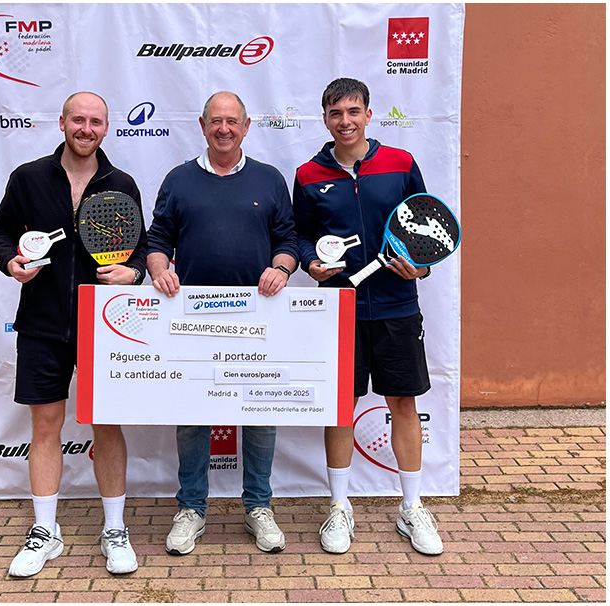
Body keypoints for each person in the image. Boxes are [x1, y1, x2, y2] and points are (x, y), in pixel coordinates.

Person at [0, 92, 147, 576]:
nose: (86, 129)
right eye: (78, 119)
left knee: (107, 425)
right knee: (44, 426)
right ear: (61, 123)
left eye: (95, 121)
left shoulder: (121, 184)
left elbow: (142, 248)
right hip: (42, 323)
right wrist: (10, 262)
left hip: (106, 326)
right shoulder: (29, 177)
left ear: (106, 128)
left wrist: (134, 274)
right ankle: (45, 531)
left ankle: (114, 528)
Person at [292, 78, 443, 556]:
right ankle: (339, 507)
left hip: (398, 307)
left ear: (368, 115)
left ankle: (412, 506)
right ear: (325, 119)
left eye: (353, 111)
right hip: (339, 309)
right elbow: (300, 235)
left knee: (403, 403)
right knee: (341, 407)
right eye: (336, 113)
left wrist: (421, 267)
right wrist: (310, 263)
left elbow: (426, 227)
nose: (345, 121)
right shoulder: (307, 174)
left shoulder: (401, 163)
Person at [147, 91, 298, 556]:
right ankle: (191, 509)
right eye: (216, 121)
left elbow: (288, 239)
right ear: (202, 125)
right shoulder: (178, 179)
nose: (224, 129)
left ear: (247, 127)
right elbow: (158, 238)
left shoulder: (269, 179)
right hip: (192, 321)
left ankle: (259, 507)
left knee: (260, 416)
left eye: (233, 121)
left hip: (257, 319)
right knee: (193, 417)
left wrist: (282, 268)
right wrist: (158, 269)